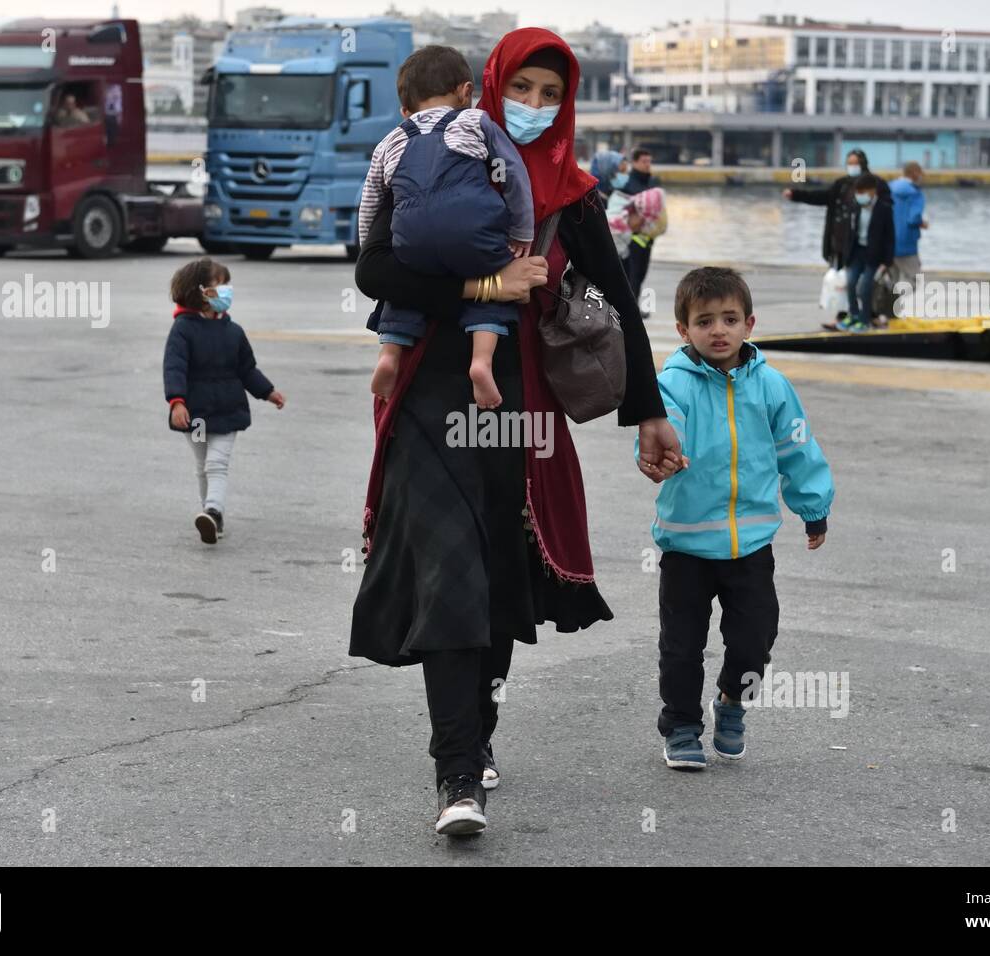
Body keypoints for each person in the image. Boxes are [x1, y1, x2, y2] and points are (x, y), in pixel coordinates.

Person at [349, 28, 684, 837]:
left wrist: (648, 410)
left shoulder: (571, 197)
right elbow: (375, 270)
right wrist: (490, 281)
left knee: (496, 580)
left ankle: (479, 735)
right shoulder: (426, 161)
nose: (534, 107)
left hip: (519, 412)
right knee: (448, 573)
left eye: (551, 94)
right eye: (523, 89)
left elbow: (618, 306)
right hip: (432, 398)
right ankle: (457, 774)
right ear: (484, 89)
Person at [644, 266, 833, 770]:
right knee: (681, 646)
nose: (718, 330)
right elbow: (664, 429)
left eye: (729, 319)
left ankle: (731, 701)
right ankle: (682, 726)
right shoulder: (671, 384)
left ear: (750, 323)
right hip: (686, 545)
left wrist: (813, 507)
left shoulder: (771, 386)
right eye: (704, 321)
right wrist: (666, 454)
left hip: (750, 544)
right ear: (683, 330)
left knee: (755, 640)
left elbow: (796, 447)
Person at [358, 45, 534, 411]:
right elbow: (513, 173)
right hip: (472, 235)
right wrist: (522, 231)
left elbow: (370, 203)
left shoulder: (390, 140)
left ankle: (389, 354)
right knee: (491, 283)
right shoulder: (474, 121)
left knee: (405, 286)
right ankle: (481, 362)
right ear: (466, 92)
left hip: (411, 242)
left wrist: (369, 248)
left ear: (405, 110)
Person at [163, 258, 286, 544]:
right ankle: (211, 516)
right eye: (222, 284)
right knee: (202, 465)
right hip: (195, 414)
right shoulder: (182, 330)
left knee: (216, 464)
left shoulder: (234, 331)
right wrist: (177, 402)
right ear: (202, 291)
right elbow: (174, 367)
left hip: (228, 411)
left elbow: (247, 370)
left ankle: (213, 511)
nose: (228, 290)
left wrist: (268, 392)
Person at [783, 149, 891, 328]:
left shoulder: (877, 184)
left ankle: (869, 315)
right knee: (845, 283)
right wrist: (796, 195)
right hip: (843, 244)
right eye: (849, 162)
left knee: (867, 284)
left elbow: (886, 214)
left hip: (869, 246)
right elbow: (822, 197)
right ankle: (845, 316)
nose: (852, 166)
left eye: (855, 162)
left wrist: (887, 255)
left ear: (863, 163)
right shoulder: (841, 184)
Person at [841, 173, 895, 331]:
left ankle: (865, 320)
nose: (860, 195)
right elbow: (849, 232)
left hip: (874, 254)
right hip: (856, 251)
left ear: (873, 191)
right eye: (857, 192)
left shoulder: (884, 208)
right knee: (850, 283)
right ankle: (853, 315)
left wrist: (887, 261)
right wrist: (845, 255)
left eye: (863, 192)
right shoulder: (855, 206)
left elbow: (890, 236)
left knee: (865, 288)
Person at [619, 147, 663, 302]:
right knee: (632, 275)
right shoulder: (627, 183)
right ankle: (632, 310)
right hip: (632, 238)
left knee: (641, 274)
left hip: (647, 238)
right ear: (634, 162)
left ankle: (635, 305)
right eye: (644, 161)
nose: (647, 164)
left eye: (649, 161)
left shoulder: (651, 183)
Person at [889, 161, 928, 295]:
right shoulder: (915, 193)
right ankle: (895, 302)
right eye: (920, 173)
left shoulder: (890, 188)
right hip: (906, 244)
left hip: (887, 241)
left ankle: (887, 310)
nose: (922, 177)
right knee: (915, 280)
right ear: (914, 173)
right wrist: (921, 223)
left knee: (891, 280)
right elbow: (913, 218)